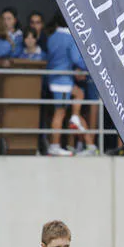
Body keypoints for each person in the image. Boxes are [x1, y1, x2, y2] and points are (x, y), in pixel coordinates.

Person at [44, 14, 75, 156]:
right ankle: (54, 145)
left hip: (52, 78)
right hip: (63, 80)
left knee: (59, 111)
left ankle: (54, 144)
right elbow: (76, 58)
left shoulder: (52, 37)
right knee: (60, 113)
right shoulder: (69, 38)